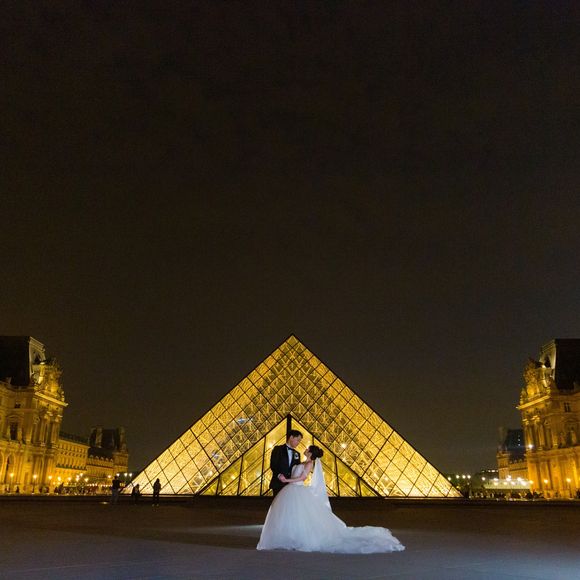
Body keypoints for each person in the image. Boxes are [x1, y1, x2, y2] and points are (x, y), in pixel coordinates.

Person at [257, 445, 404, 553]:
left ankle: (298, 539)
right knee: (292, 516)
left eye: (308, 449)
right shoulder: (301, 462)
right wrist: (285, 479)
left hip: (295, 489)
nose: (305, 449)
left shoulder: (309, 463)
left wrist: (287, 481)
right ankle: (291, 537)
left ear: (311, 453)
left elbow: (303, 478)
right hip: (291, 490)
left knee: (299, 517)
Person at [269, 429, 303, 496]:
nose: (298, 442)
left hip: (291, 485)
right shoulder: (278, 449)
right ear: (291, 437)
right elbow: (273, 464)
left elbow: (297, 468)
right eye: (298, 440)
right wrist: (279, 475)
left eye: (299, 441)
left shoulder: (297, 454)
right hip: (278, 484)